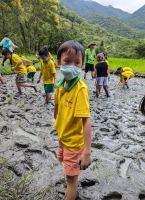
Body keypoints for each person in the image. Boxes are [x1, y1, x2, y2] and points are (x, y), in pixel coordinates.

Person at [54, 40, 91, 200]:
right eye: (67, 61)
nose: (72, 66)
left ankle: (71, 189)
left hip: (74, 143)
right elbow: (57, 108)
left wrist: (87, 152)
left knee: (71, 181)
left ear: (82, 65)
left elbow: (86, 121)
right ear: (59, 62)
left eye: (77, 63)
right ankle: (71, 177)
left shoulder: (80, 89)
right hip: (63, 137)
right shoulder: (61, 84)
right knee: (68, 169)